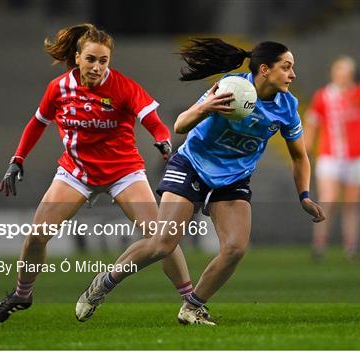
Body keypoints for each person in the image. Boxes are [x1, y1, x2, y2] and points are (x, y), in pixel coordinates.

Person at [75, 38, 326, 325]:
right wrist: (206, 107)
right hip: (192, 165)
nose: (293, 74)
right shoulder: (230, 86)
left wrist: (304, 195)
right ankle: (104, 283)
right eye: (287, 67)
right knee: (163, 244)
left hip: (233, 179)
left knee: (235, 248)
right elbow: (181, 125)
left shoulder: (288, 106)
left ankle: (192, 307)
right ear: (265, 69)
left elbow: (299, 157)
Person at [0, 23, 194, 323]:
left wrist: (162, 138)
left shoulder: (123, 86)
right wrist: (17, 158)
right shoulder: (58, 88)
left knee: (162, 238)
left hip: (124, 172)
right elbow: (37, 123)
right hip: (76, 172)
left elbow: (153, 121)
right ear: (77, 57)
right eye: (91, 59)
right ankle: (22, 294)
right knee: (36, 236)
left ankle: (190, 301)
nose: (97, 67)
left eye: (103, 60)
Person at [303, 55, 360, 260]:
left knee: (353, 203)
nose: (343, 76)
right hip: (330, 156)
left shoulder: (359, 93)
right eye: (340, 72)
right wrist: (305, 150)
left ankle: (352, 246)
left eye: (348, 73)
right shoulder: (323, 96)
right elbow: (312, 123)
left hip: (357, 157)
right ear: (333, 73)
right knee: (329, 200)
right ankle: (319, 245)